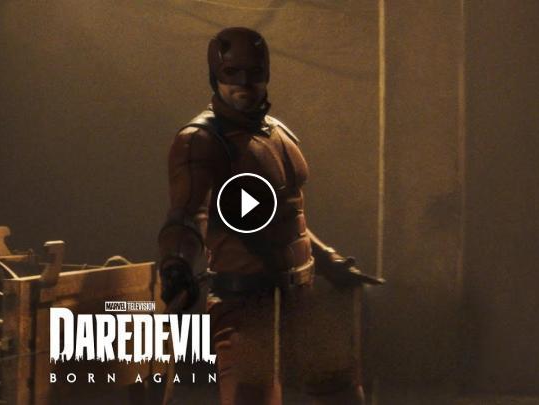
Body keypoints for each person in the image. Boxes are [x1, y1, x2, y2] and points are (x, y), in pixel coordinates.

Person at [158, 27, 379, 405]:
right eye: (232, 73)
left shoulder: (278, 134)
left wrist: (328, 261)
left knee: (342, 393)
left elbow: (285, 218)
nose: (244, 84)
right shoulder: (202, 140)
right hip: (246, 303)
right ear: (215, 76)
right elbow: (186, 215)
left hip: (301, 294)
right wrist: (177, 266)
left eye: (254, 73)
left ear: (266, 73)